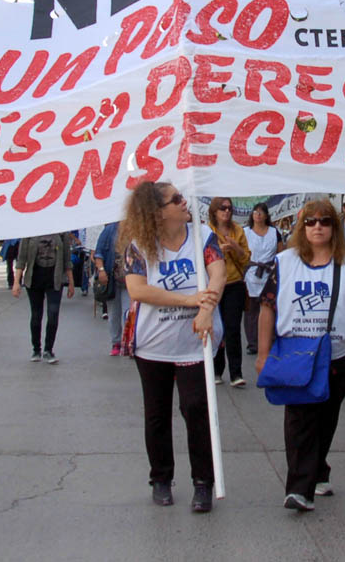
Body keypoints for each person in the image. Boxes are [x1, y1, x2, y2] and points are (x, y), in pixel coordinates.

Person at [255, 199, 345, 511]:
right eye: (311, 221)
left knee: (326, 419)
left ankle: (318, 468)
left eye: (324, 221)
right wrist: (263, 353)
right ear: (302, 226)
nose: (318, 227)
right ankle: (299, 488)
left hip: (339, 356)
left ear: (333, 227)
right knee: (300, 420)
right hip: (297, 356)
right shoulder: (284, 262)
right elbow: (267, 308)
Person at [120, 181, 226, 512]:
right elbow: (138, 290)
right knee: (157, 414)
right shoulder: (138, 246)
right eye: (175, 200)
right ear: (157, 212)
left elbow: (218, 275)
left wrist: (206, 309)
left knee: (196, 410)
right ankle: (161, 478)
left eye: (182, 197)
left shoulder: (203, 237)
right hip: (152, 345)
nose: (184, 203)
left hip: (195, 343)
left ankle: (203, 482)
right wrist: (189, 299)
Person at [12, 233, 75, 363]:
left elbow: (67, 260)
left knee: (53, 314)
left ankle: (48, 350)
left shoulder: (61, 232)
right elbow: (21, 259)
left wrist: (71, 282)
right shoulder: (30, 232)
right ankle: (36, 349)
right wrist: (16, 282)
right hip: (34, 279)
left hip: (54, 279)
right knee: (36, 315)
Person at [209, 197, 251, 387]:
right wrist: (218, 250)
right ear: (215, 211)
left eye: (229, 208)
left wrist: (234, 247)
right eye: (222, 208)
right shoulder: (207, 231)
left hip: (234, 284)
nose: (226, 211)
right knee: (218, 328)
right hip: (214, 284)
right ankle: (217, 370)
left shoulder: (238, 231)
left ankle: (236, 373)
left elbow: (246, 259)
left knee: (233, 328)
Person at [243, 202, 283, 356]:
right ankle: (253, 342)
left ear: (266, 215)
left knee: (270, 308)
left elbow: (280, 253)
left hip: (269, 273)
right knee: (251, 310)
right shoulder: (245, 232)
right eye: (255, 212)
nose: (258, 215)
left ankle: (271, 339)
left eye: (261, 212)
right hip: (251, 273)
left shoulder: (274, 232)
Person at [94, 221, 129, 355]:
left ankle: (127, 342)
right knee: (114, 314)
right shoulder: (109, 230)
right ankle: (116, 342)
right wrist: (101, 270)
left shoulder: (136, 228)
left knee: (128, 313)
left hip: (130, 279)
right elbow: (99, 252)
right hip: (112, 279)